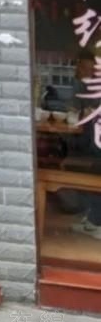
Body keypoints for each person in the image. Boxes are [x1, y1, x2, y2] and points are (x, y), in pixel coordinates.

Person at [70, 52, 101, 238]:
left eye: (88, 68)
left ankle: (95, 221)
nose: (84, 71)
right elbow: (73, 109)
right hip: (88, 138)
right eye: (82, 67)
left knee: (89, 167)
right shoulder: (79, 84)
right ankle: (92, 217)